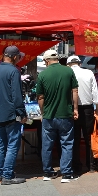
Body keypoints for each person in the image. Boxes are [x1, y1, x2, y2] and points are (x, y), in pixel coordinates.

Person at [0, 45, 28, 185]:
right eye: (18, 57)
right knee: (12, 145)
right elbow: (16, 95)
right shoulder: (14, 71)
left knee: (0, 144)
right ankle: (7, 175)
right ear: (14, 57)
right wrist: (22, 113)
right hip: (10, 113)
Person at [36, 49, 79, 183]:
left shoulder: (42, 75)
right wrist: (75, 109)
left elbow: (40, 97)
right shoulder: (68, 71)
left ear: (47, 61)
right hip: (65, 114)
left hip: (49, 116)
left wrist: (43, 113)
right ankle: (66, 174)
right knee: (66, 144)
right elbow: (75, 91)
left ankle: (48, 172)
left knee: (47, 145)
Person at [67, 55, 98, 174]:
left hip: (72, 109)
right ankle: (91, 165)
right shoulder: (89, 73)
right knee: (89, 138)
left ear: (68, 64)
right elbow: (95, 92)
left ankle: (76, 166)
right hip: (88, 109)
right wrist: (97, 109)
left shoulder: (67, 73)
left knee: (74, 138)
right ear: (79, 63)